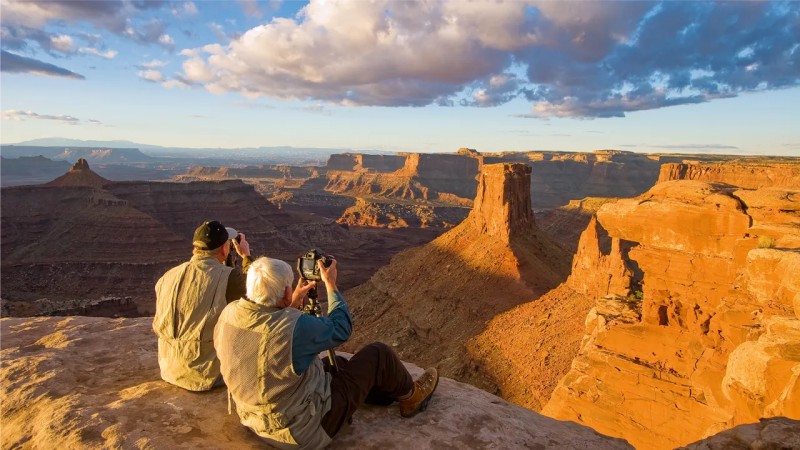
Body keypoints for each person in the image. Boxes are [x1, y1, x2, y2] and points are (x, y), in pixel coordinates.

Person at [214, 256, 439, 449]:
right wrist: (330, 284)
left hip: (253, 420)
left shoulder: (229, 313)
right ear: (285, 293)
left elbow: (263, 336)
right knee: (378, 354)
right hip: (301, 432)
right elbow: (341, 329)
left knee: (337, 364)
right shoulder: (294, 327)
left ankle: (383, 394)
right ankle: (412, 397)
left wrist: (289, 305)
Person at [152, 220, 252, 391]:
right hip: (207, 373)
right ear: (224, 249)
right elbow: (260, 295)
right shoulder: (229, 279)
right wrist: (246, 257)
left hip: (170, 367)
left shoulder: (168, 276)